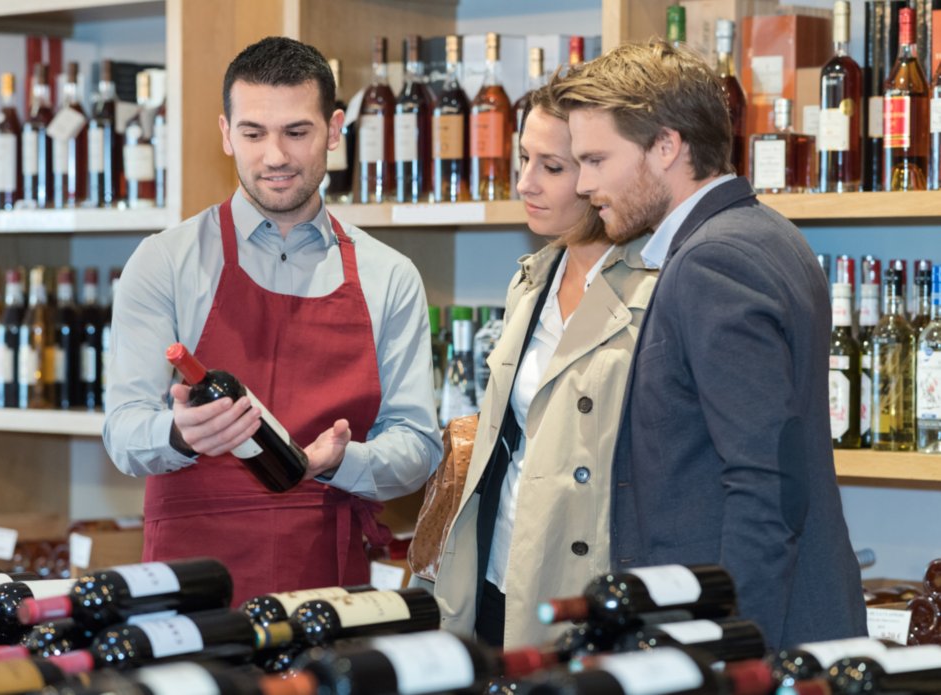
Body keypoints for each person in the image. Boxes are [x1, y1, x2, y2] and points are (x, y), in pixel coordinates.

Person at [102, 36, 442, 605]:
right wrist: (180, 434)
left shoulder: (390, 275)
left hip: (330, 588)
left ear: (334, 131)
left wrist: (343, 461)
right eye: (254, 133)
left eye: (297, 132)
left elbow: (417, 446)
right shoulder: (164, 260)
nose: (275, 157)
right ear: (225, 133)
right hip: (192, 588)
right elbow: (123, 430)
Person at [552, 40, 866, 650]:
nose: (585, 184)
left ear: (667, 146)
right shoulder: (769, 234)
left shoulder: (712, 262)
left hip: (748, 636)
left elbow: (764, 487)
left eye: (595, 159)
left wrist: (725, 651)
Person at [423, 85, 657, 648]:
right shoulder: (533, 277)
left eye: (552, 166)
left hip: (581, 585)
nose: (525, 182)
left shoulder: (657, 288)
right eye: (524, 158)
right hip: (496, 568)